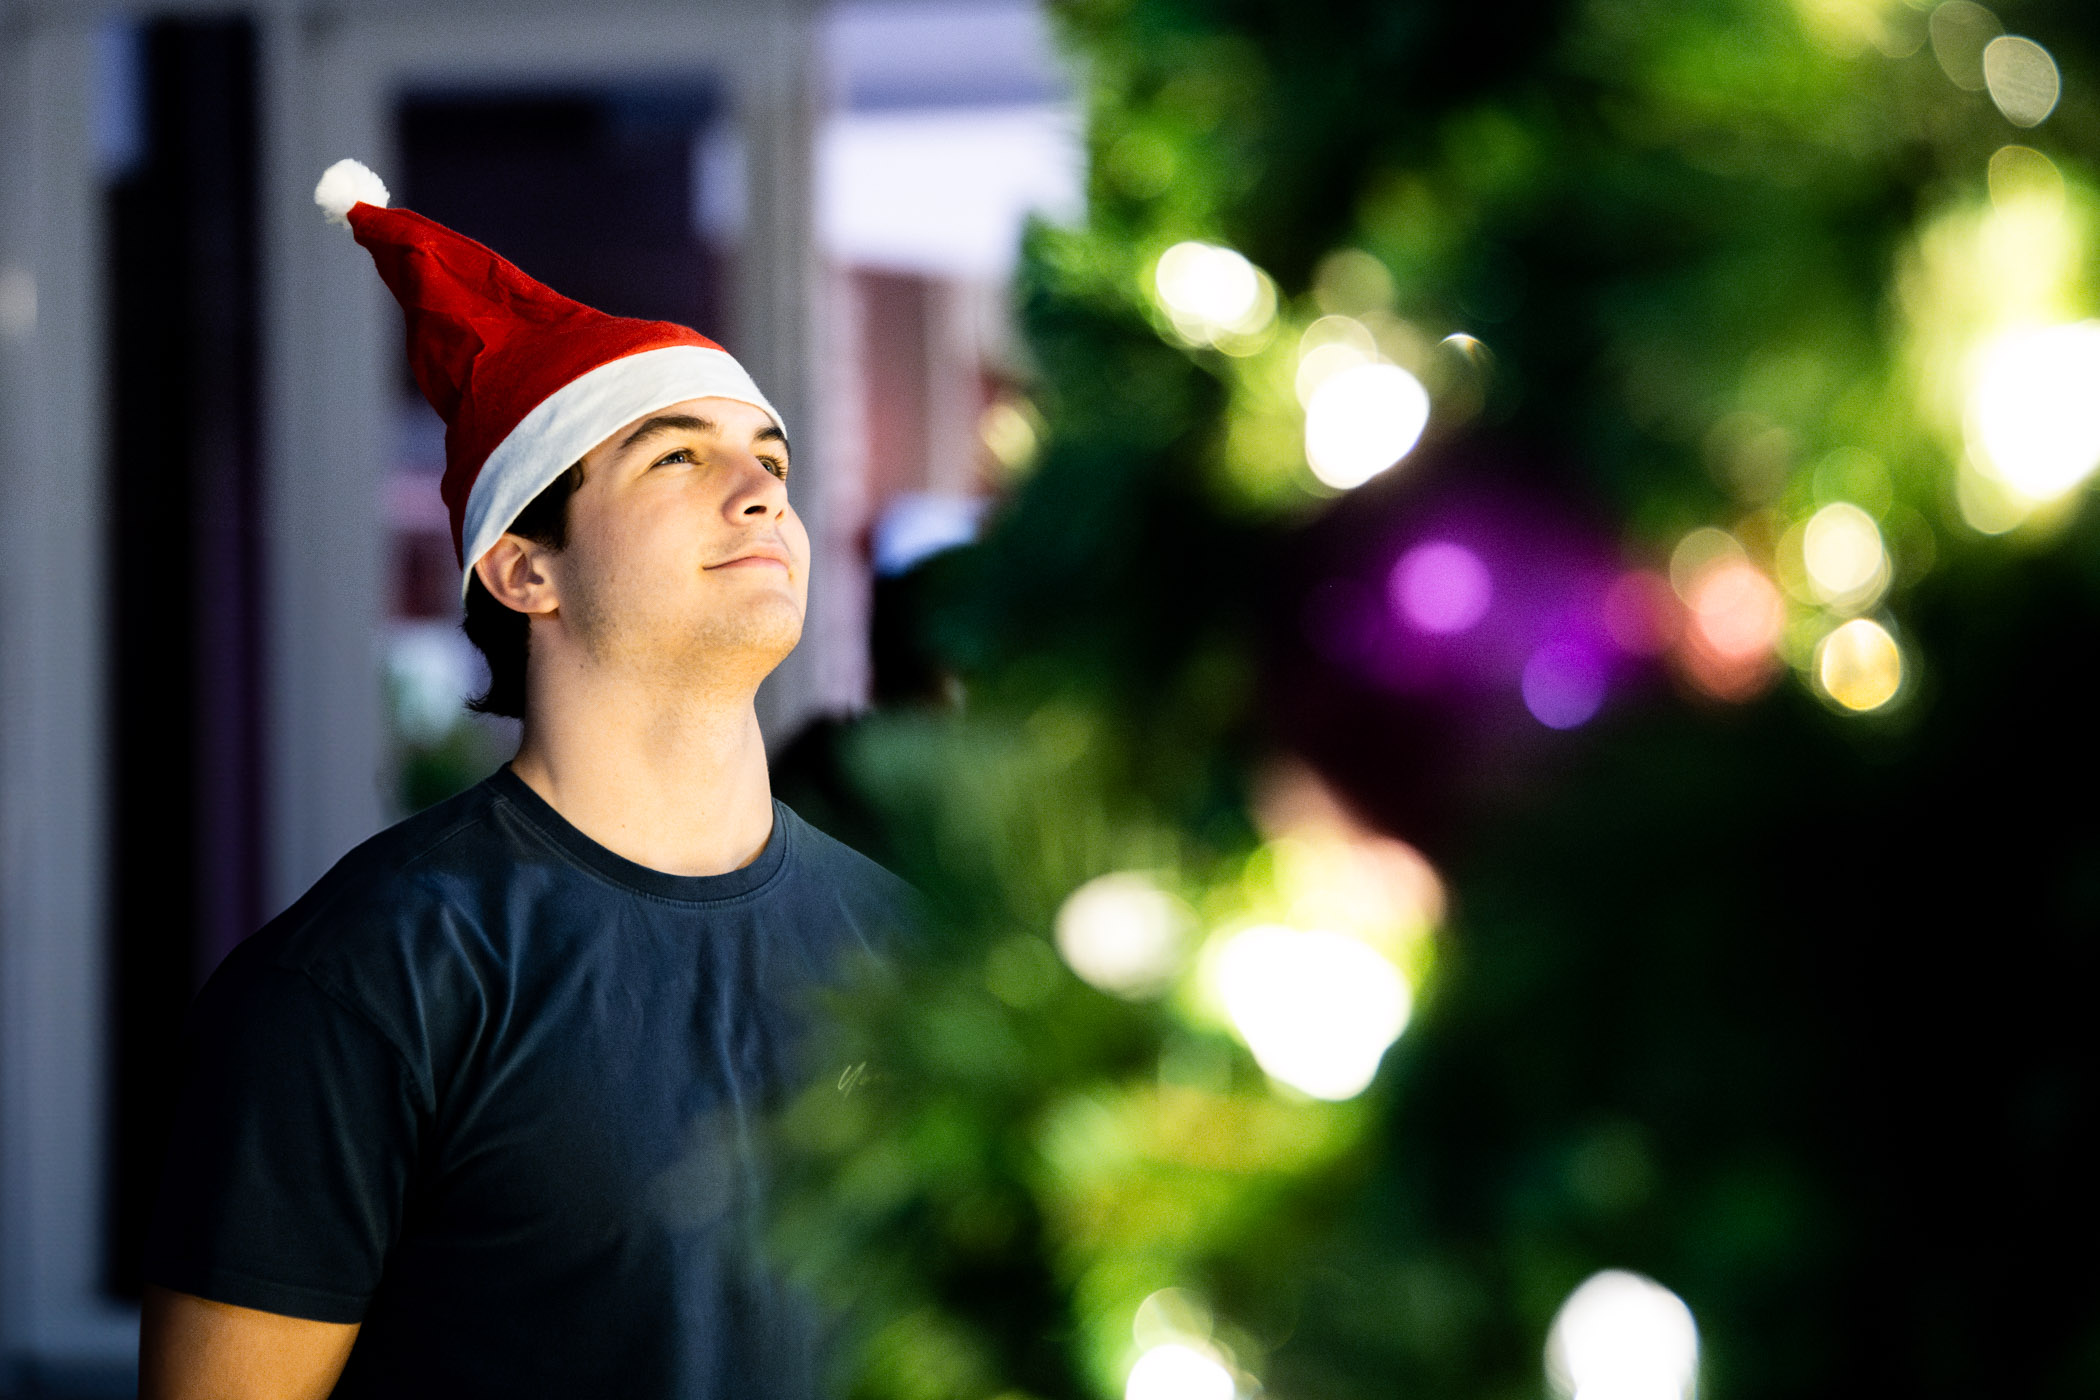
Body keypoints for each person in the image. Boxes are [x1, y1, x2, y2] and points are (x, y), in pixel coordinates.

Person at [138, 160, 913, 1400]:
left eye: (767, 452)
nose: (763, 487)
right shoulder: (365, 976)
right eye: (675, 457)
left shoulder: (906, 941)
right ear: (522, 571)